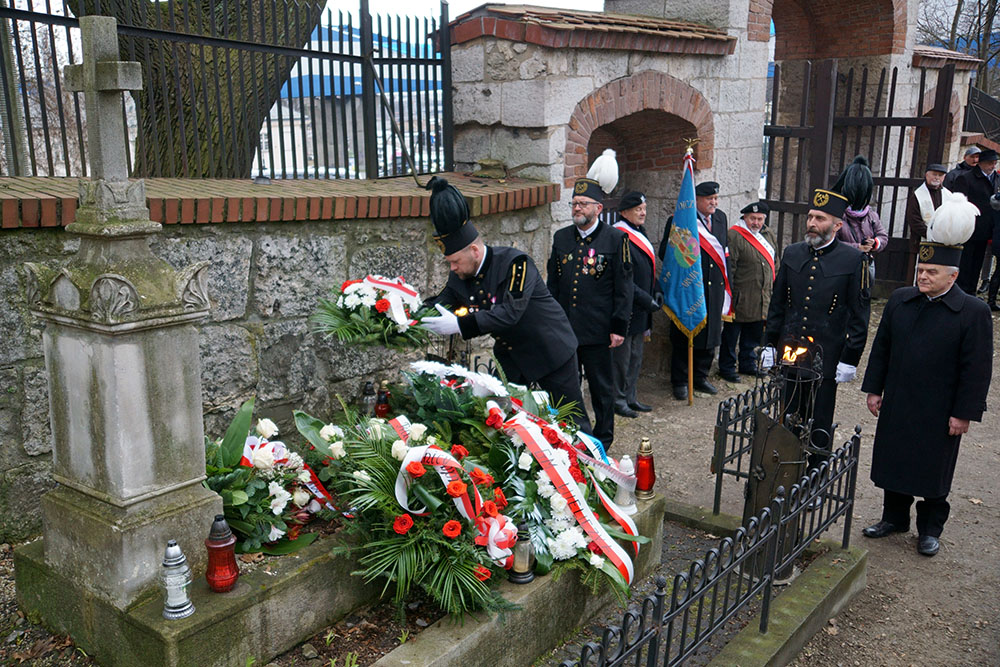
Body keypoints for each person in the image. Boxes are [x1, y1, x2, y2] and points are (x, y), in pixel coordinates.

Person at [861, 190, 992, 557]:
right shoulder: (901, 301)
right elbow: (882, 347)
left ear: (953, 276)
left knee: (934, 472)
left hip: (940, 408)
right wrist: (874, 389)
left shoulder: (972, 312)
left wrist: (964, 413)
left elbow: (977, 369)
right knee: (894, 461)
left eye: (932, 272)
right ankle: (894, 517)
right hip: (900, 399)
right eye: (921, 270)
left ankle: (930, 529)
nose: (923, 277)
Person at [420, 176, 591, 433]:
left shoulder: (516, 264)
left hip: (550, 351)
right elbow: (443, 301)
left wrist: (460, 324)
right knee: (504, 419)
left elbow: (510, 312)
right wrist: (409, 314)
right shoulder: (461, 274)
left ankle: (590, 458)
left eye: (455, 261)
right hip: (513, 356)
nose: (452, 268)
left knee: (573, 424)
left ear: (474, 251)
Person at [764, 188, 871, 464]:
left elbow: (859, 315)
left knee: (819, 419)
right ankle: (786, 468)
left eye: (820, 218)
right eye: (810, 217)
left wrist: (850, 358)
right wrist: (769, 344)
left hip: (826, 353)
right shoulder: (792, 253)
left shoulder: (853, 260)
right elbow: (778, 305)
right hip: (791, 351)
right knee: (788, 412)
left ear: (837, 225)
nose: (812, 223)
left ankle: (814, 473)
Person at [547, 153, 632, 450]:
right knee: (567, 386)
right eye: (574, 203)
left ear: (598, 208)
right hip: (566, 329)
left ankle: (603, 439)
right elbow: (553, 284)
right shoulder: (562, 238)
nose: (577, 208)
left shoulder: (615, 240)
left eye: (583, 204)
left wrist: (618, 327)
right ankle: (572, 436)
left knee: (601, 389)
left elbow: (624, 288)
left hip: (599, 331)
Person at [657, 181, 732, 400]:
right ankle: (680, 380)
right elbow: (666, 253)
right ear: (696, 199)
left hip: (714, 287)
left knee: (710, 334)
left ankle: (700, 376)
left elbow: (724, 253)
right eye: (709, 199)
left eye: (716, 199)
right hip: (689, 287)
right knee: (684, 335)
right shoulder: (680, 220)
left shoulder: (720, 218)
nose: (714, 203)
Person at [611, 191, 661, 417]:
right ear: (624, 212)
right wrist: (644, 298)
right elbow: (623, 278)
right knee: (621, 359)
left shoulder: (640, 232)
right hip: (626, 306)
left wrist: (657, 289)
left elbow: (647, 268)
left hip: (641, 308)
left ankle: (630, 396)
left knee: (635, 356)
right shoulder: (619, 236)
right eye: (638, 209)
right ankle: (618, 398)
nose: (643, 213)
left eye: (644, 208)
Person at [719, 201, 778, 382]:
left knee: (753, 334)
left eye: (760, 219)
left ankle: (748, 363)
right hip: (740, 296)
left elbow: (774, 261)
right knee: (731, 336)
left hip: (761, 296)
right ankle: (727, 367)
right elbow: (730, 267)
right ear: (744, 217)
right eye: (752, 218)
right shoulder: (734, 235)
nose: (756, 223)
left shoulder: (767, 234)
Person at [950, 148, 998, 295]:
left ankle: (971, 291)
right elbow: (959, 202)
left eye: (994, 163)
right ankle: (961, 291)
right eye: (990, 163)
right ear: (981, 163)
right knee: (966, 262)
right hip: (970, 227)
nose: (992, 166)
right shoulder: (966, 178)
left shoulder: (996, 178)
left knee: (978, 262)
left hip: (988, 227)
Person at [833, 156, 888, 284]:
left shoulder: (871, 216)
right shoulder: (837, 216)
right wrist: (857, 247)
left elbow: (883, 236)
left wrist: (874, 243)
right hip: (842, 267)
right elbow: (832, 242)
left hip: (865, 267)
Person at [905, 163, 949, 283]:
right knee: (918, 274)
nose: (937, 178)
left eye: (940, 175)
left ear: (944, 178)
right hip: (921, 242)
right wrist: (931, 234)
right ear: (927, 175)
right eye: (934, 174)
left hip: (942, 243)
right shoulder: (917, 196)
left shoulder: (948, 195)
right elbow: (914, 220)